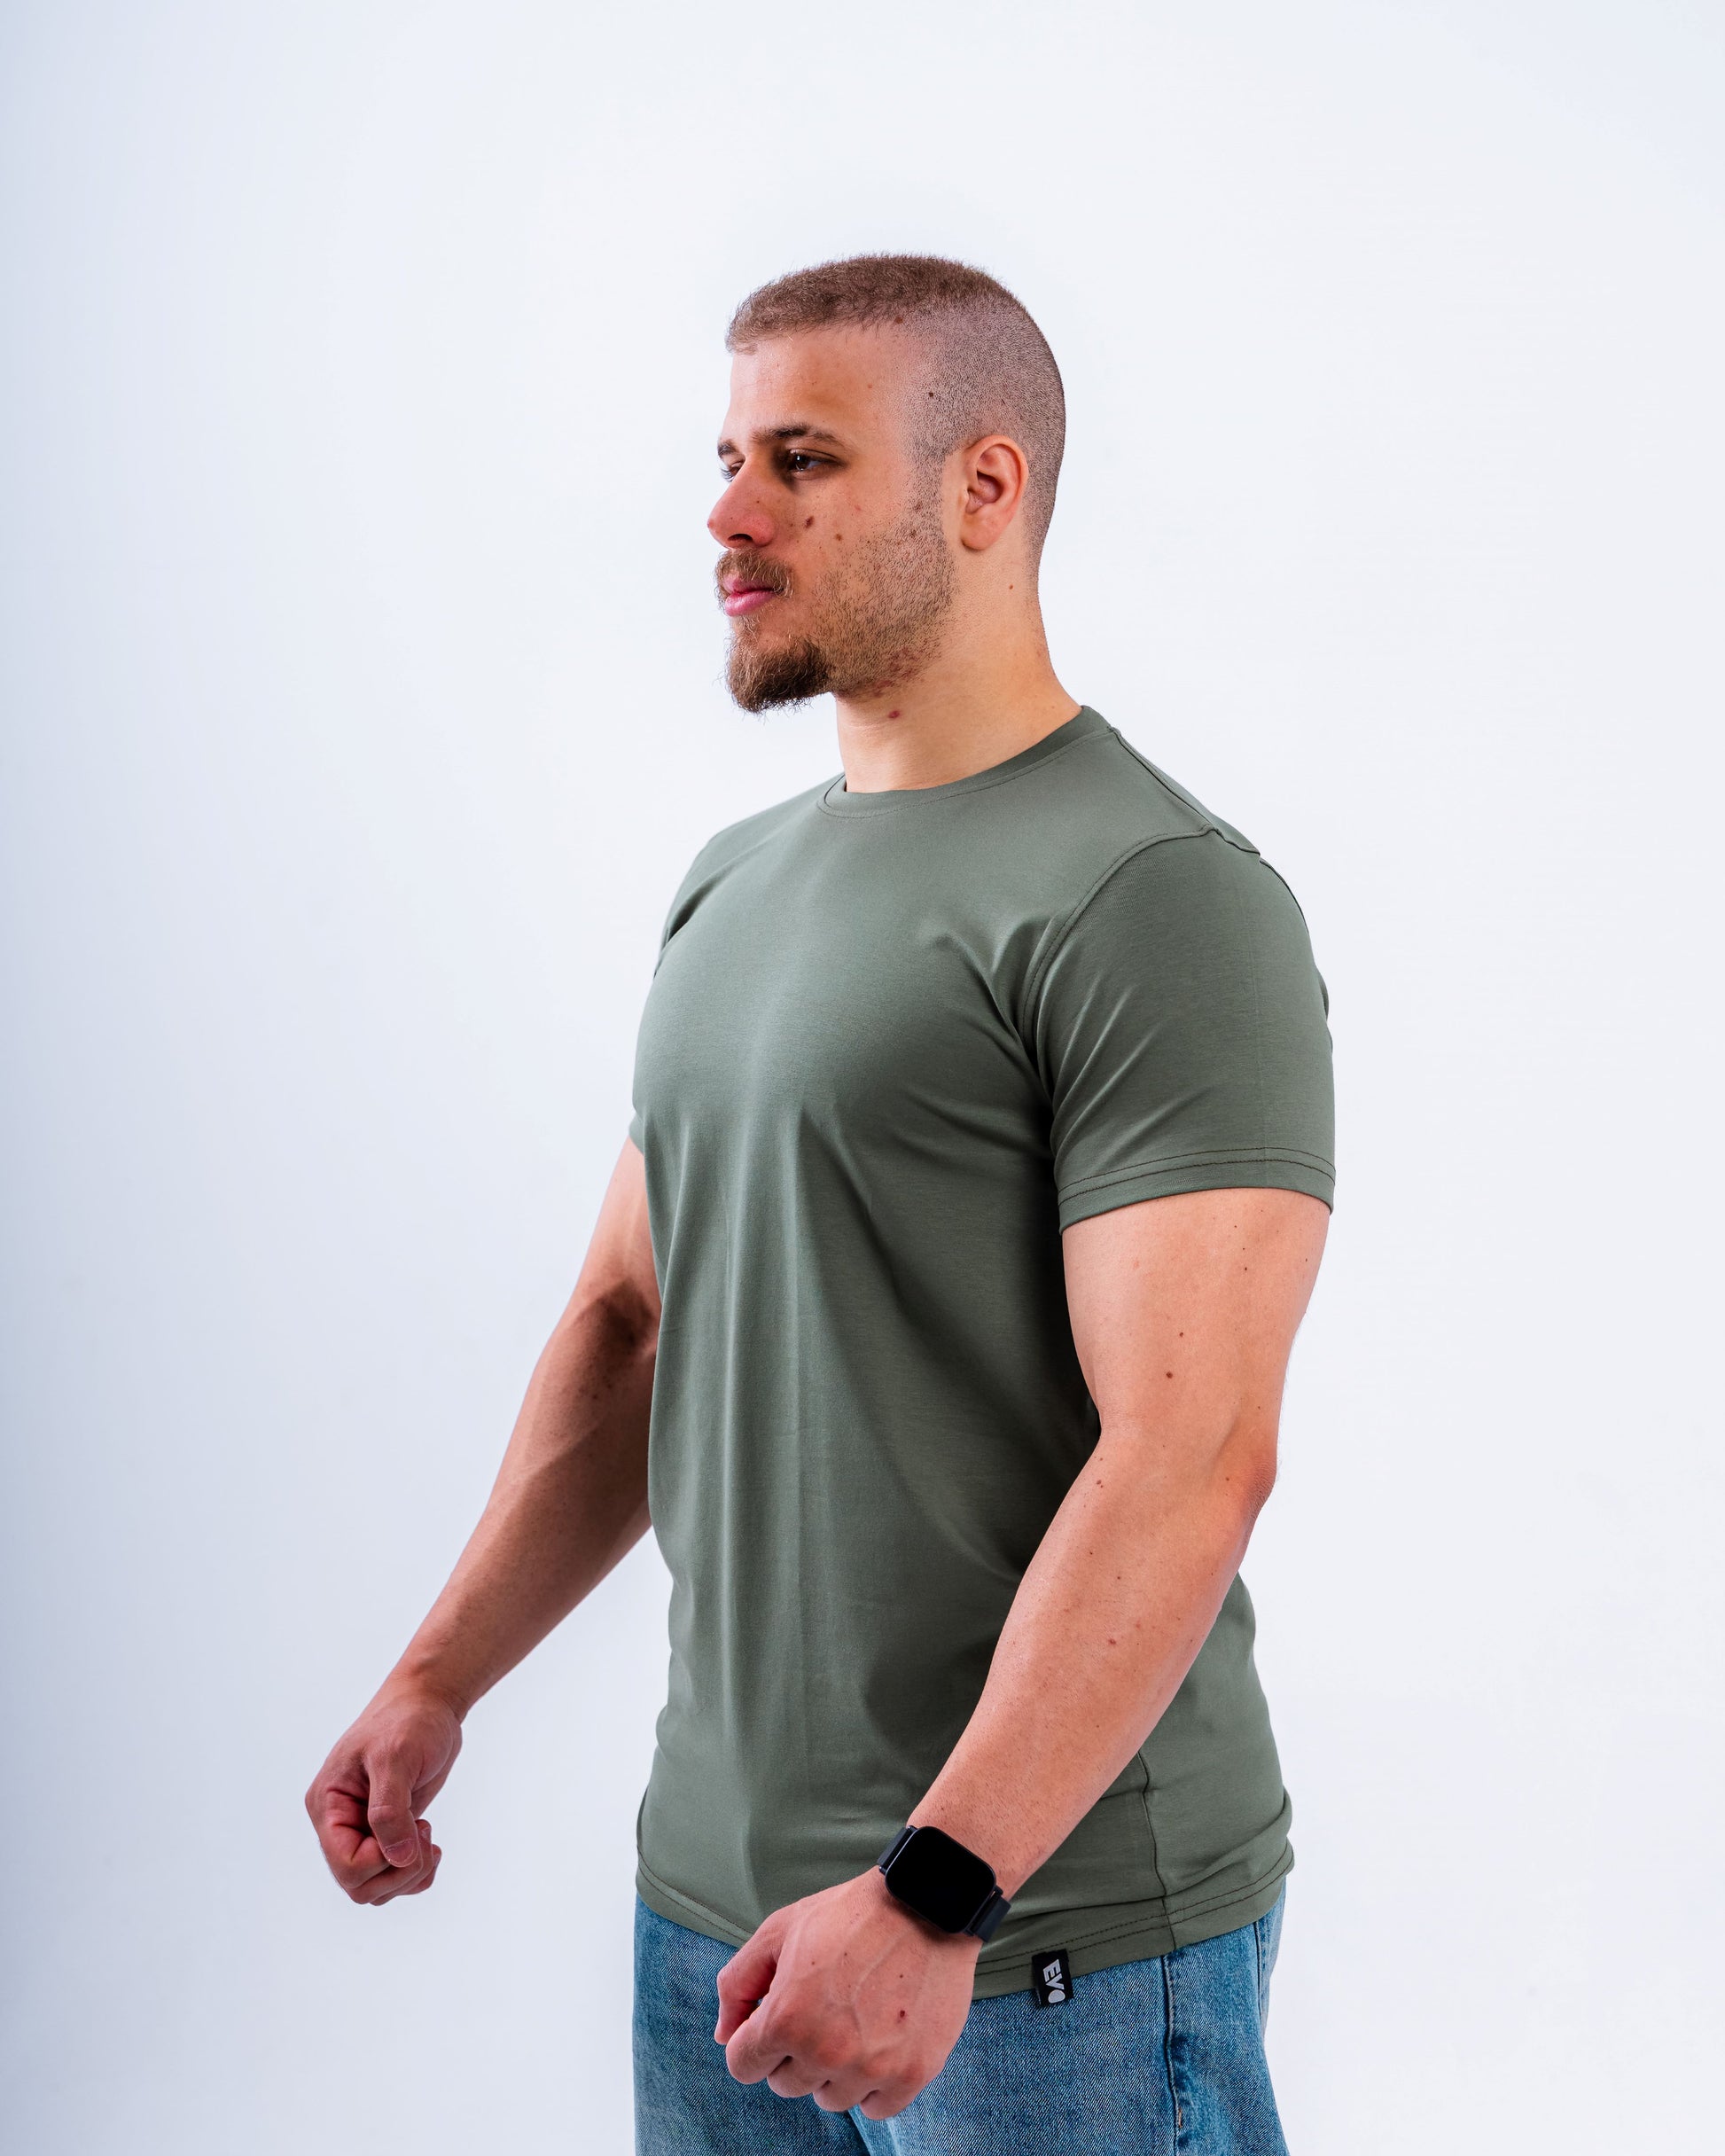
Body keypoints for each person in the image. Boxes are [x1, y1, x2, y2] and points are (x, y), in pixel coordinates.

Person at [306, 254, 1335, 2154]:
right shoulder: (732, 882)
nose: (727, 513)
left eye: (801, 460)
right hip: (710, 1925)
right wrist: (438, 1675)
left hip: (1038, 1950)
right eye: (725, 459)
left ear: (983, 486)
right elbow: (635, 1323)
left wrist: (935, 1892)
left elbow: (1191, 1452)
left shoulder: (1154, 895)